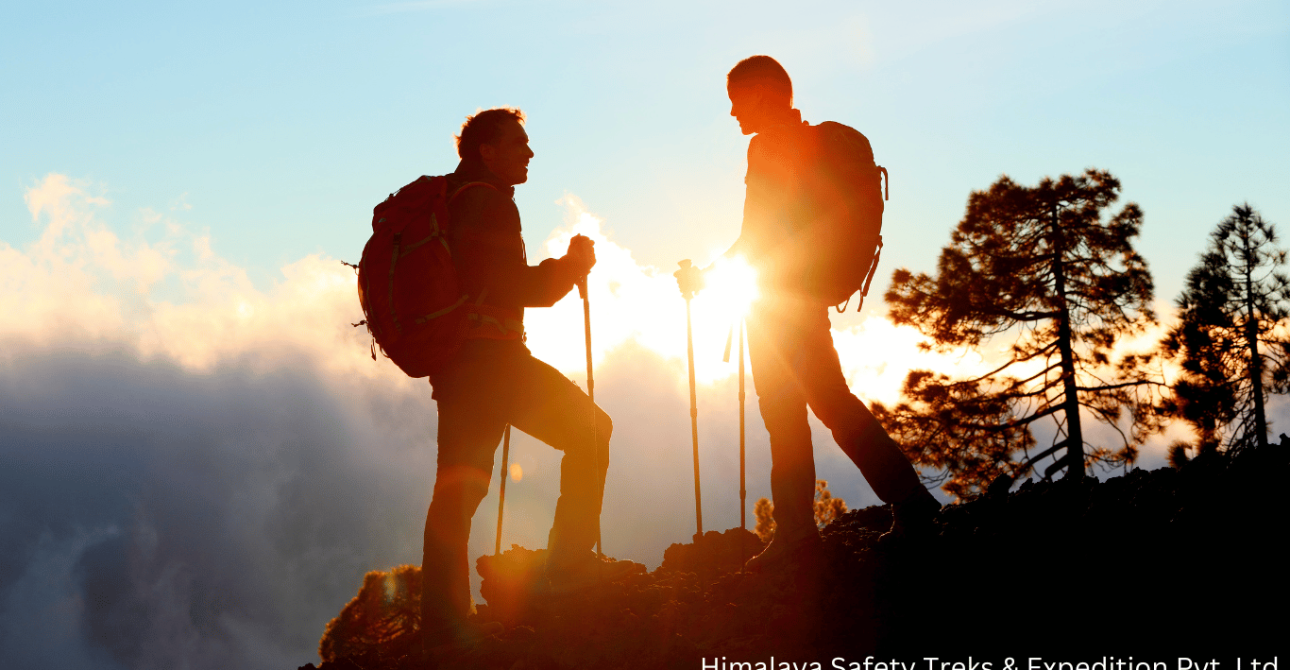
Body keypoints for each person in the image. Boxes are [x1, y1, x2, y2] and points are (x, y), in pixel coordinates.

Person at [676, 56, 940, 571]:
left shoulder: (768, 147)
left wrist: (705, 277)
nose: (731, 112)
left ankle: (801, 532)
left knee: (788, 414)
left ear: (762, 94)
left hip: (778, 304)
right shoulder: (810, 144)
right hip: (804, 296)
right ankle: (908, 503)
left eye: (736, 99)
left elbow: (756, 234)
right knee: (829, 403)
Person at [421, 107, 628, 650]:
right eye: (519, 143)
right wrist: (571, 267)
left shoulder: (461, 199)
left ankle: (443, 622)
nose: (530, 153)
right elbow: (513, 286)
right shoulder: (487, 202)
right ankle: (568, 567)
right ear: (487, 151)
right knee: (591, 431)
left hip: (461, 368)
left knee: (457, 490)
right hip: (494, 365)